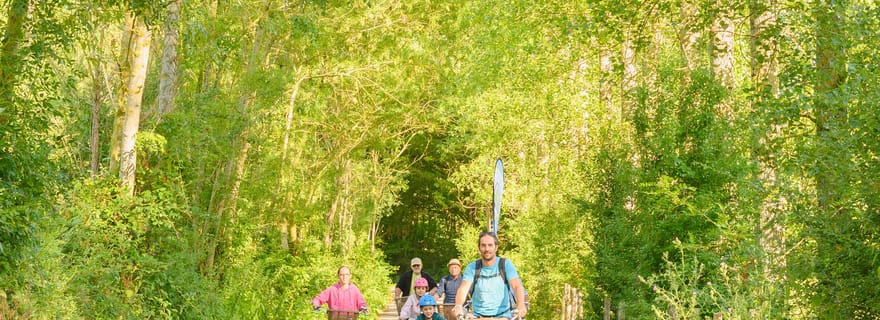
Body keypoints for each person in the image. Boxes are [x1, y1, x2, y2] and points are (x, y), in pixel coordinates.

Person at [452, 232, 527, 319]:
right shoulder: (472, 267)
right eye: (483, 245)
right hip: (478, 316)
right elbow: (463, 289)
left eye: (490, 245)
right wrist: (458, 305)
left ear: (496, 247)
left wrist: (521, 304)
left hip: (503, 316)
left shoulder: (505, 265)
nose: (487, 249)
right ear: (479, 248)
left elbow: (517, 286)